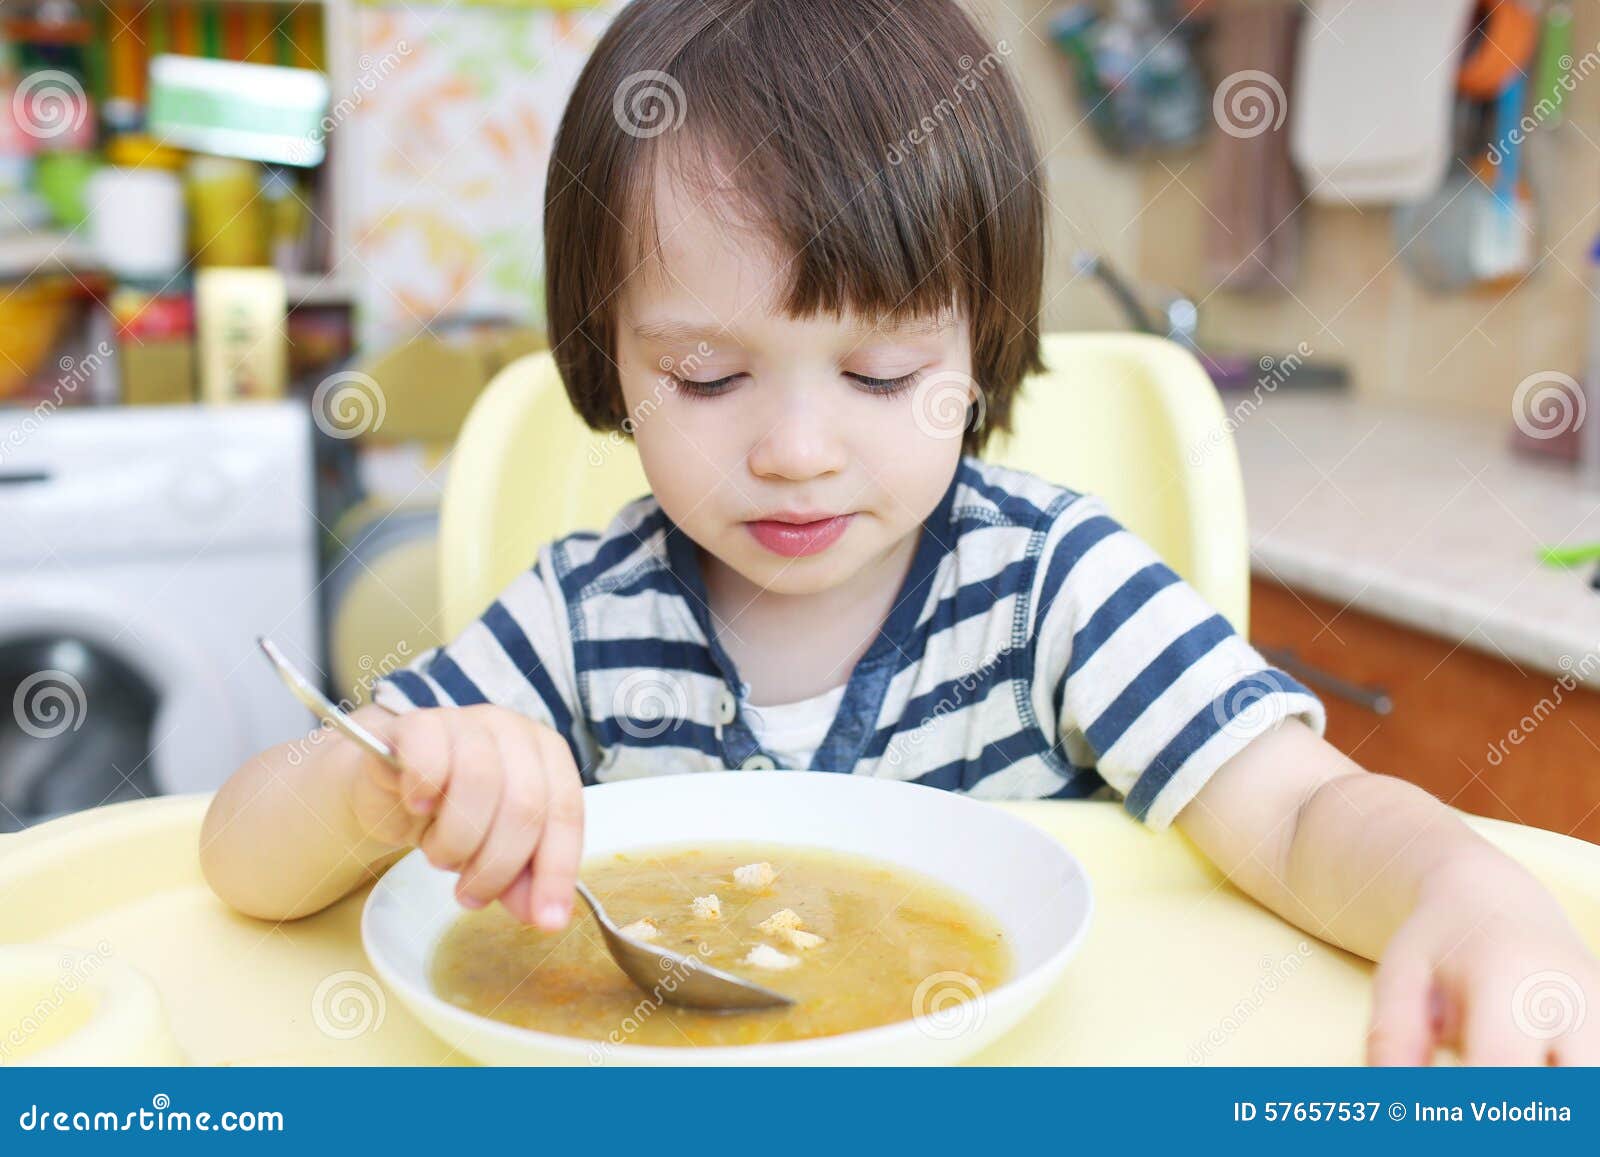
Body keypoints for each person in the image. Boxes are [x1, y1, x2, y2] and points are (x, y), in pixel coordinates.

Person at [202, 0, 1600, 1065]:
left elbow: (1300, 813)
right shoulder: (581, 615)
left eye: (880, 377)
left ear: (980, 353)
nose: (799, 449)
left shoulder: (1053, 583)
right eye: (706, 376)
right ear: (606, 359)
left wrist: (1472, 891)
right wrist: (375, 786)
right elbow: (239, 863)